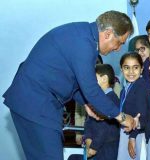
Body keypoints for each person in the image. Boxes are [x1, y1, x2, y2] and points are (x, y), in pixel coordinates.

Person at [2, 10, 138, 160]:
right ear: (108, 34)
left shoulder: (82, 35)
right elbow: (91, 89)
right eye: (119, 43)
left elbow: (69, 80)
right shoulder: (84, 44)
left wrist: (87, 103)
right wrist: (122, 117)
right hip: (36, 103)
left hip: (34, 102)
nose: (118, 49)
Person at [117, 53, 150, 160]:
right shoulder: (124, 89)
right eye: (127, 68)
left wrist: (132, 137)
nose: (131, 72)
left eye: (135, 68)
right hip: (126, 132)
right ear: (121, 69)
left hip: (137, 135)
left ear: (142, 69)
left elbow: (142, 115)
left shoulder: (141, 86)